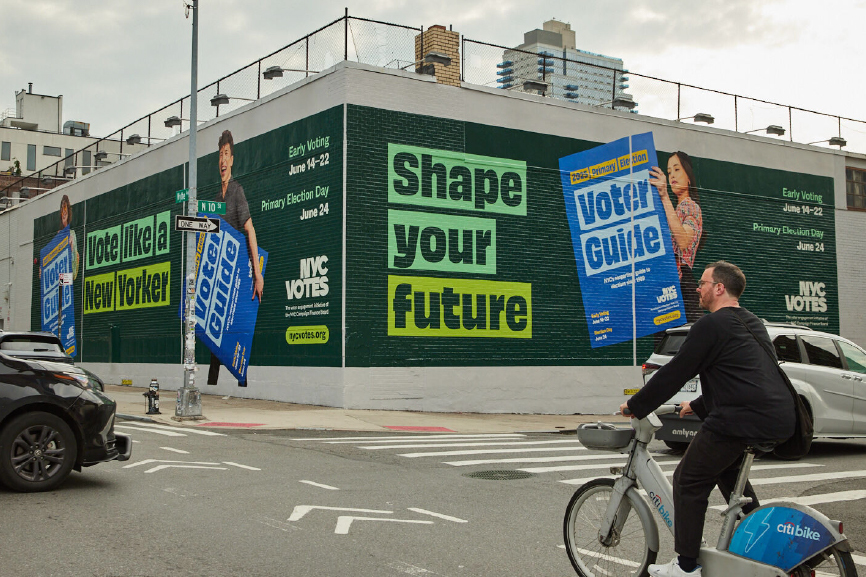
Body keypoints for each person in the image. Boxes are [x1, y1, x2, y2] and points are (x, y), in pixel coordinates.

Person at [619, 261, 795, 577]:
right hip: (777, 416)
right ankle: (764, 546)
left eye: (702, 283)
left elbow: (675, 372)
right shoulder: (751, 322)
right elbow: (741, 376)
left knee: (688, 480)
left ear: (719, 288)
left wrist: (636, 404)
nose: (697, 288)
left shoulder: (710, 325)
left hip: (741, 419)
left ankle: (686, 568)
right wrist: (697, 405)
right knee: (729, 478)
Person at [206, 129, 264, 387]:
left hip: (238, 271)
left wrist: (257, 273)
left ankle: (241, 384)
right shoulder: (216, 199)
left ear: (232, 160)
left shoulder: (237, 192)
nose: (223, 159)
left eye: (226, 154)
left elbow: (249, 229)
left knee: (238, 329)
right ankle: (212, 384)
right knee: (215, 332)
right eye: (220, 154)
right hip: (219, 272)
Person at [649, 152, 702, 322]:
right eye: (669, 171)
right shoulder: (673, 209)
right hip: (667, 282)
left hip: (681, 284)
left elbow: (684, 241)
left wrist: (664, 195)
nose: (672, 175)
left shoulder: (690, 207)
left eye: (677, 169)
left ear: (688, 177)